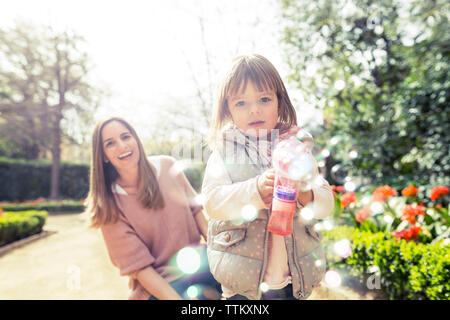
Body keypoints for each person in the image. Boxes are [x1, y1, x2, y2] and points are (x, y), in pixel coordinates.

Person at [202, 54, 334, 300]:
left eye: (264, 99)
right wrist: (255, 190)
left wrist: (305, 192)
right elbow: (212, 203)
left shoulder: (297, 148)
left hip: (294, 281)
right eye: (241, 103)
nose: (254, 109)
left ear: (279, 102)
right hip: (243, 286)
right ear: (227, 110)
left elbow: (326, 203)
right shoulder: (225, 151)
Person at [85, 116, 220, 300]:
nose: (122, 146)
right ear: (103, 156)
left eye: (126, 137)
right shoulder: (108, 207)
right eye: (110, 143)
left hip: (199, 261)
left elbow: (196, 211)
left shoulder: (167, 165)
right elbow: (141, 269)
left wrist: (219, 254)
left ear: (135, 139)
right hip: (161, 283)